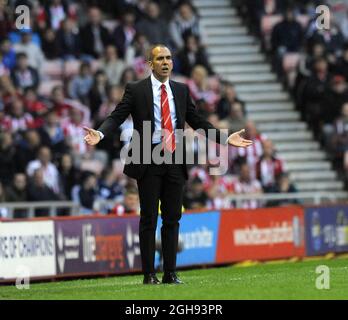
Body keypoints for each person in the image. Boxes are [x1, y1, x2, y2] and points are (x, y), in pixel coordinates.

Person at [83, 44, 252, 285]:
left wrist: (225, 138)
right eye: (160, 58)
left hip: (174, 157)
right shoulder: (136, 89)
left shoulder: (181, 90)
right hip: (148, 156)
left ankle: (170, 273)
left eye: (169, 58)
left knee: (172, 218)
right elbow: (117, 115)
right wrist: (100, 134)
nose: (165, 62)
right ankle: (149, 274)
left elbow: (197, 121)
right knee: (149, 217)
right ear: (150, 64)